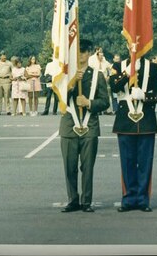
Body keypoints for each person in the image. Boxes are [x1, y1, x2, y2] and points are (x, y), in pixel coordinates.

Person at [60, 39, 110, 213]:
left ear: (89, 53)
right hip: (69, 125)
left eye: (83, 51)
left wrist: (89, 102)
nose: (80, 55)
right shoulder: (65, 75)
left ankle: (86, 201)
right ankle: (72, 200)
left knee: (87, 167)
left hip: (90, 125)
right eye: (77, 52)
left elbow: (105, 102)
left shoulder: (98, 75)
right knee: (69, 166)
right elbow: (60, 100)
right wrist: (72, 82)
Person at [109, 52, 157, 212]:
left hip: (146, 121)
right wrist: (127, 72)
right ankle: (128, 198)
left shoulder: (154, 68)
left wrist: (145, 96)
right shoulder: (118, 66)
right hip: (125, 122)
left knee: (145, 163)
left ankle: (143, 199)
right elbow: (114, 86)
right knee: (127, 163)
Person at [0, 51, 13, 115]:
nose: (4, 57)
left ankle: (8, 110)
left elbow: (13, 71)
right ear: (0, 56)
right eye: (2, 55)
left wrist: (11, 78)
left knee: (7, 95)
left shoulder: (9, 63)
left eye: (5, 55)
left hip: (6, 79)